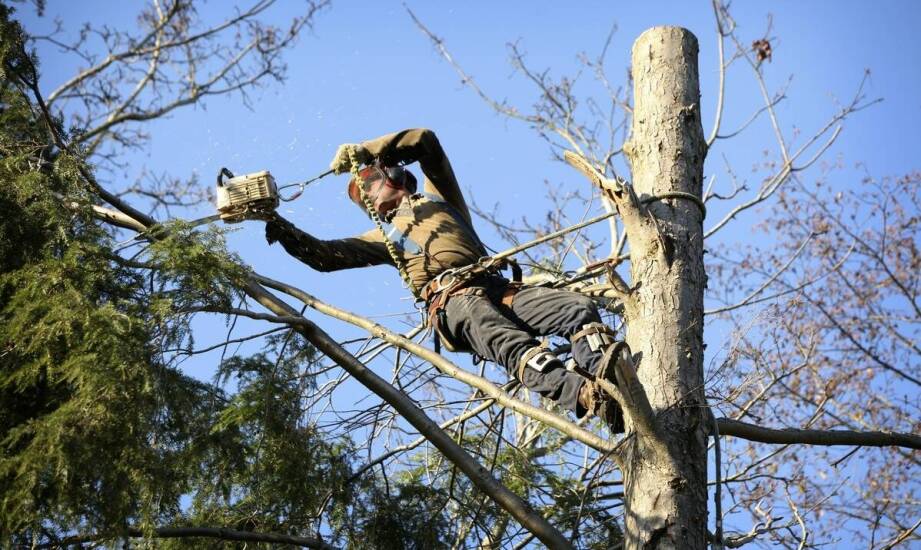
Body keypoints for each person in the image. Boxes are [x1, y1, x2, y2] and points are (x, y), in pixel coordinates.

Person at [263, 128, 627, 432]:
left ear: (393, 176)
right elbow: (325, 257)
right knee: (506, 340)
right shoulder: (384, 239)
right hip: (452, 300)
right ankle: (585, 395)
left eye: (370, 187)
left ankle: (610, 377)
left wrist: (365, 151)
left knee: (576, 309)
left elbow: (426, 142)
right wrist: (278, 225)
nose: (370, 202)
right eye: (365, 200)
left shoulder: (441, 199)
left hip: (497, 287)